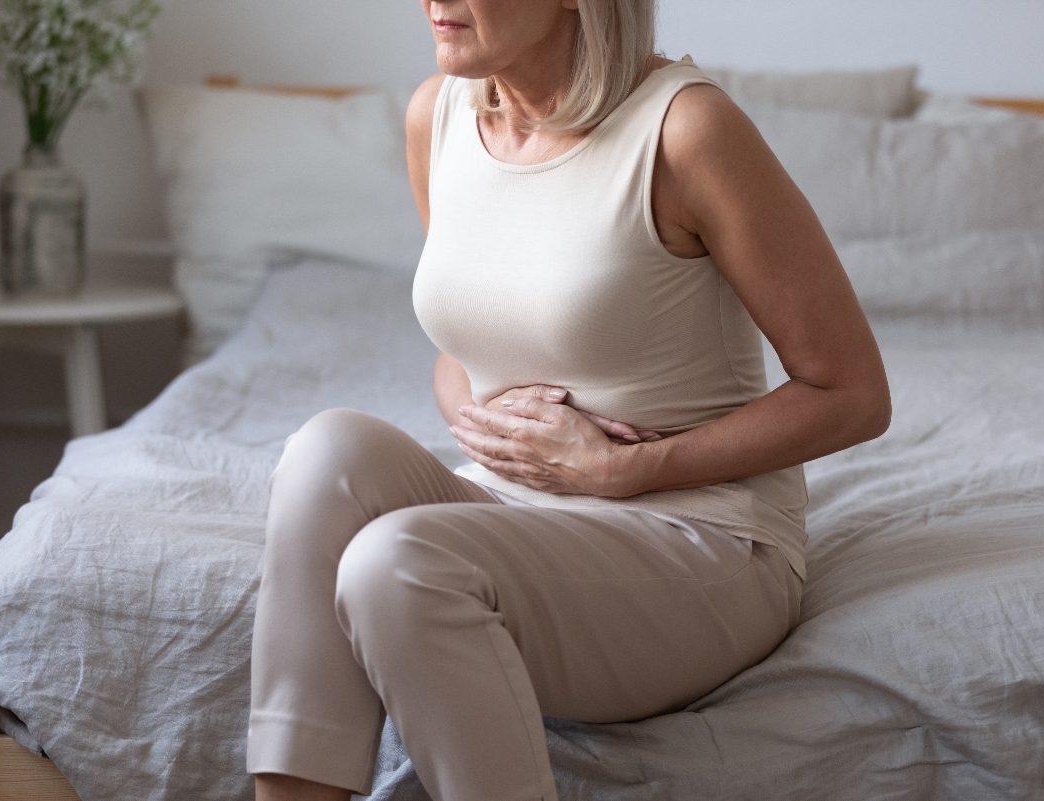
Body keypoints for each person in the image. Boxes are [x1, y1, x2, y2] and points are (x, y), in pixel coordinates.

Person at [246, 0, 891, 799]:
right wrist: (495, 427)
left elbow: (854, 393)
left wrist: (631, 468)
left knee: (396, 562)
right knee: (325, 452)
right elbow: (466, 343)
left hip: (700, 538)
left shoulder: (687, 131)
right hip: (512, 511)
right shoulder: (436, 116)